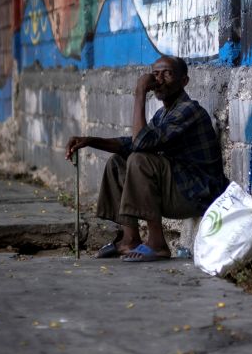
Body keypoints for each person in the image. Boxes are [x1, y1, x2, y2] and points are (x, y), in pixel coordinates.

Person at [65, 55, 228, 261]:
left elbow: (141, 145)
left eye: (167, 74)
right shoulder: (163, 114)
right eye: (155, 74)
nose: (159, 80)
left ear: (184, 81)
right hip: (178, 188)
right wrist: (89, 140)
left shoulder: (189, 110)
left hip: (198, 194)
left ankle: (157, 243)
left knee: (140, 160)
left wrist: (140, 92)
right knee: (118, 162)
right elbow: (132, 143)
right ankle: (129, 239)